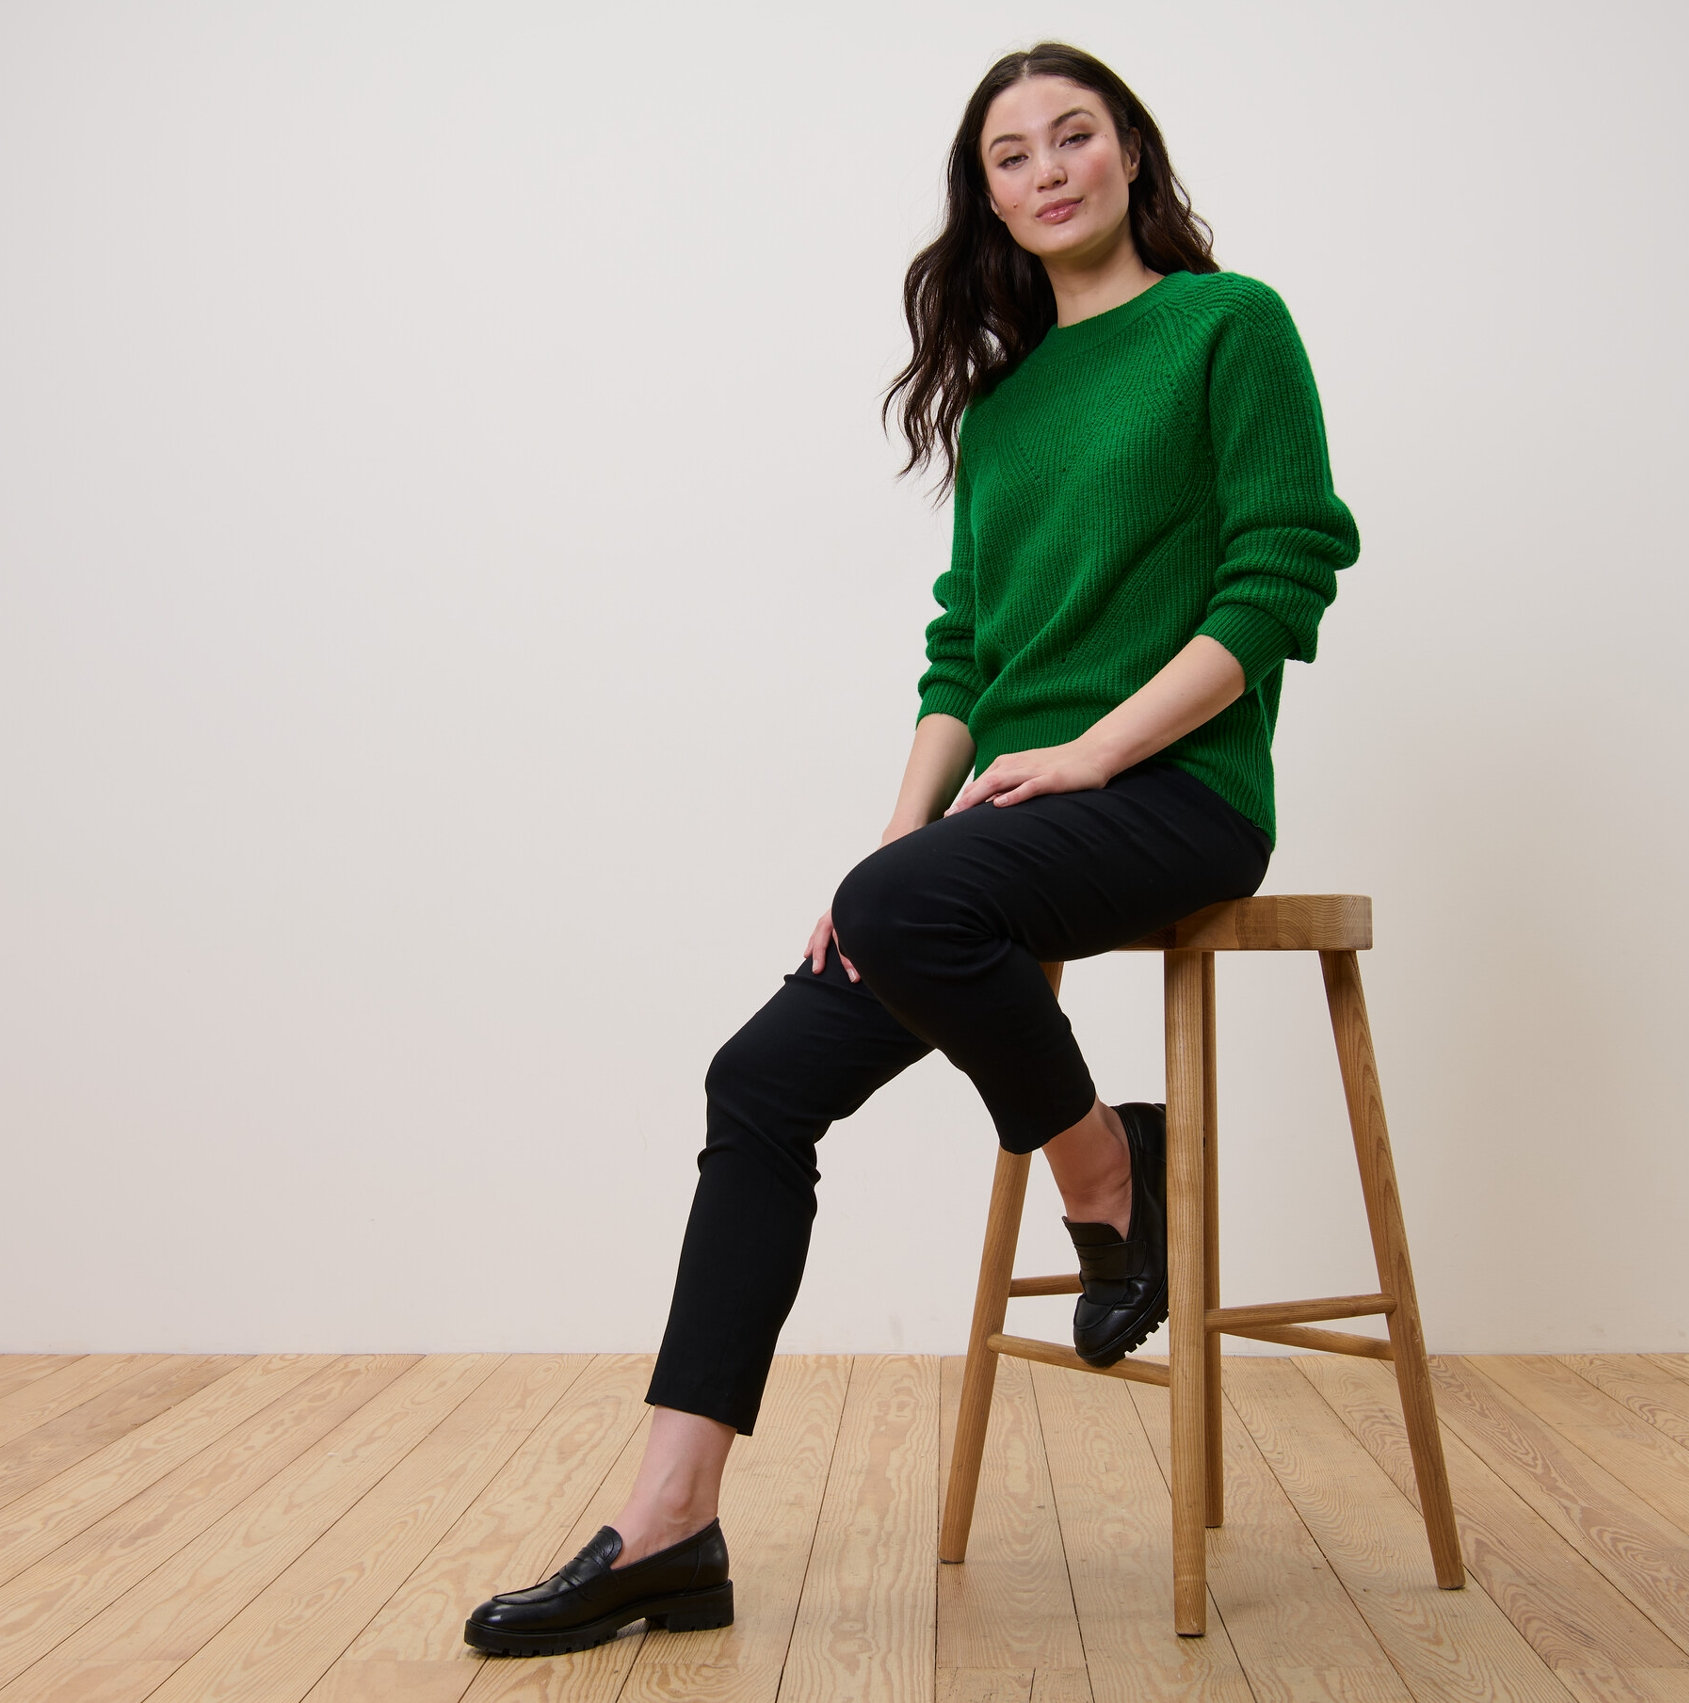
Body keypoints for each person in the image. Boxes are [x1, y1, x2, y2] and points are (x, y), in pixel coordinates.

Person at [464, 39, 1359, 1658]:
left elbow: (1282, 574)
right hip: (1009, 825)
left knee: (906, 910)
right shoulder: (1008, 403)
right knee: (758, 1080)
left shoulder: (1234, 325)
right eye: (1011, 157)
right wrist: (881, 863)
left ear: (1134, 154)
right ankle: (670, 1525)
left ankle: (1105, 1177)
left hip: (1177, 795)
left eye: (1074, 136)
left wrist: (1091, 750)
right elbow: (964, 655)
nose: (1049, 172)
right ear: (991, 202)